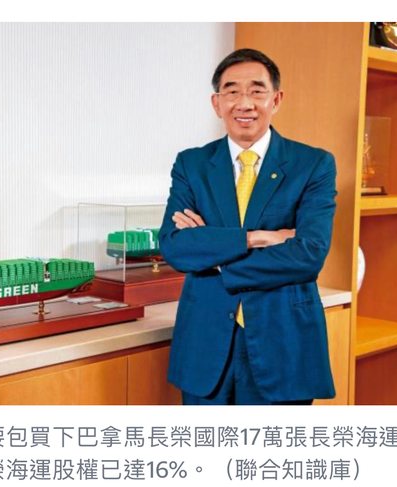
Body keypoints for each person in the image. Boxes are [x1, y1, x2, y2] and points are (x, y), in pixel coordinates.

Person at [159, 48, 337, 405]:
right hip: (206, 344)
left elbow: (309, 254)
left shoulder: (313, 164)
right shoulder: (192, 164)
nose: (245, 103)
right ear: (216, 103)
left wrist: (215, 257)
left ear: (276, 99)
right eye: (232, 92)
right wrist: (257, 238)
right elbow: (176, 246)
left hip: (282, 342)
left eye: (257, 91)